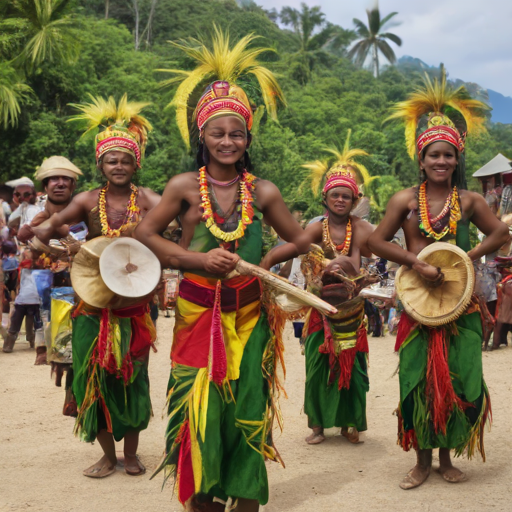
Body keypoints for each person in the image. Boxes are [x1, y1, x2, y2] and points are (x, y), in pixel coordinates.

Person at [134, 80, 309, 511]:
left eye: (236, 133)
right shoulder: (182, 188)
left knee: (246, 404)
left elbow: (301, 239)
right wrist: (196, 261)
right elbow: (145, 233)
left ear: (248, 138)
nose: (227, 141)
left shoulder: (263, 191)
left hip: (250, 318)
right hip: (197, 316)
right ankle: (203, 496)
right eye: (218, 132)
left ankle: (245, 493)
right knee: (200, 406)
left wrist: (265, 264)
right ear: (202, 136)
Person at [368, 78, 510, 489]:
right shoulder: (404, 200)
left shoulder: (469, 201)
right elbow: (375, 241)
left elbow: (500, 234)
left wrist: (468, 257)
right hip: (418, 303)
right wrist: (415, 261)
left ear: (457, 157)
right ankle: (421, 461)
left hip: (461, 304)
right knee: (419, 381)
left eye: (449, 155)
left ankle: (447, 457)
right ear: (422, 158)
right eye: (434, 154)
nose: (441, 161)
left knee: (460, 379)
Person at [33, 95, 160, 478]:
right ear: (100, 164)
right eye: (111, 160)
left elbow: (180, 232)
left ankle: (133, 455)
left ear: (135, 163)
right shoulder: (87, 201)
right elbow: (43, 231)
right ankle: (108, 455)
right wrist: (71, 250)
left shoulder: (152, 200)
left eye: (125, 160)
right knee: (94, 377)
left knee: (134, 378)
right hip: (92, 306)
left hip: (135, 307)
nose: (118, 166)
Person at [261, 161, 374, 445]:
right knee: (317, 367)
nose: (340, 200)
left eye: (346, 196)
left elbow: (377, 252)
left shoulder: (361, 228)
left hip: (351, 311)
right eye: (335, 195)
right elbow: (288, 248)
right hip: (319, 311)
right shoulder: (315, 229)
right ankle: (318, 426)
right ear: (325, 198)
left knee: (354, 367)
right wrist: (266, 264)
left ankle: (351, 423)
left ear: (354, 201)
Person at [15, 156, 83, 365]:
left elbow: (84, 246)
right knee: (45, 311)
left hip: (85, 288)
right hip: (51, 290)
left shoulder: (86, 214)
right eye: (54, 179)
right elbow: (30, 252)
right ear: (45, 186)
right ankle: (44, 348)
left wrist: (52, 229)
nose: (60, 183)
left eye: (66, 179)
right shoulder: (38, 218)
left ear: (73, 185)